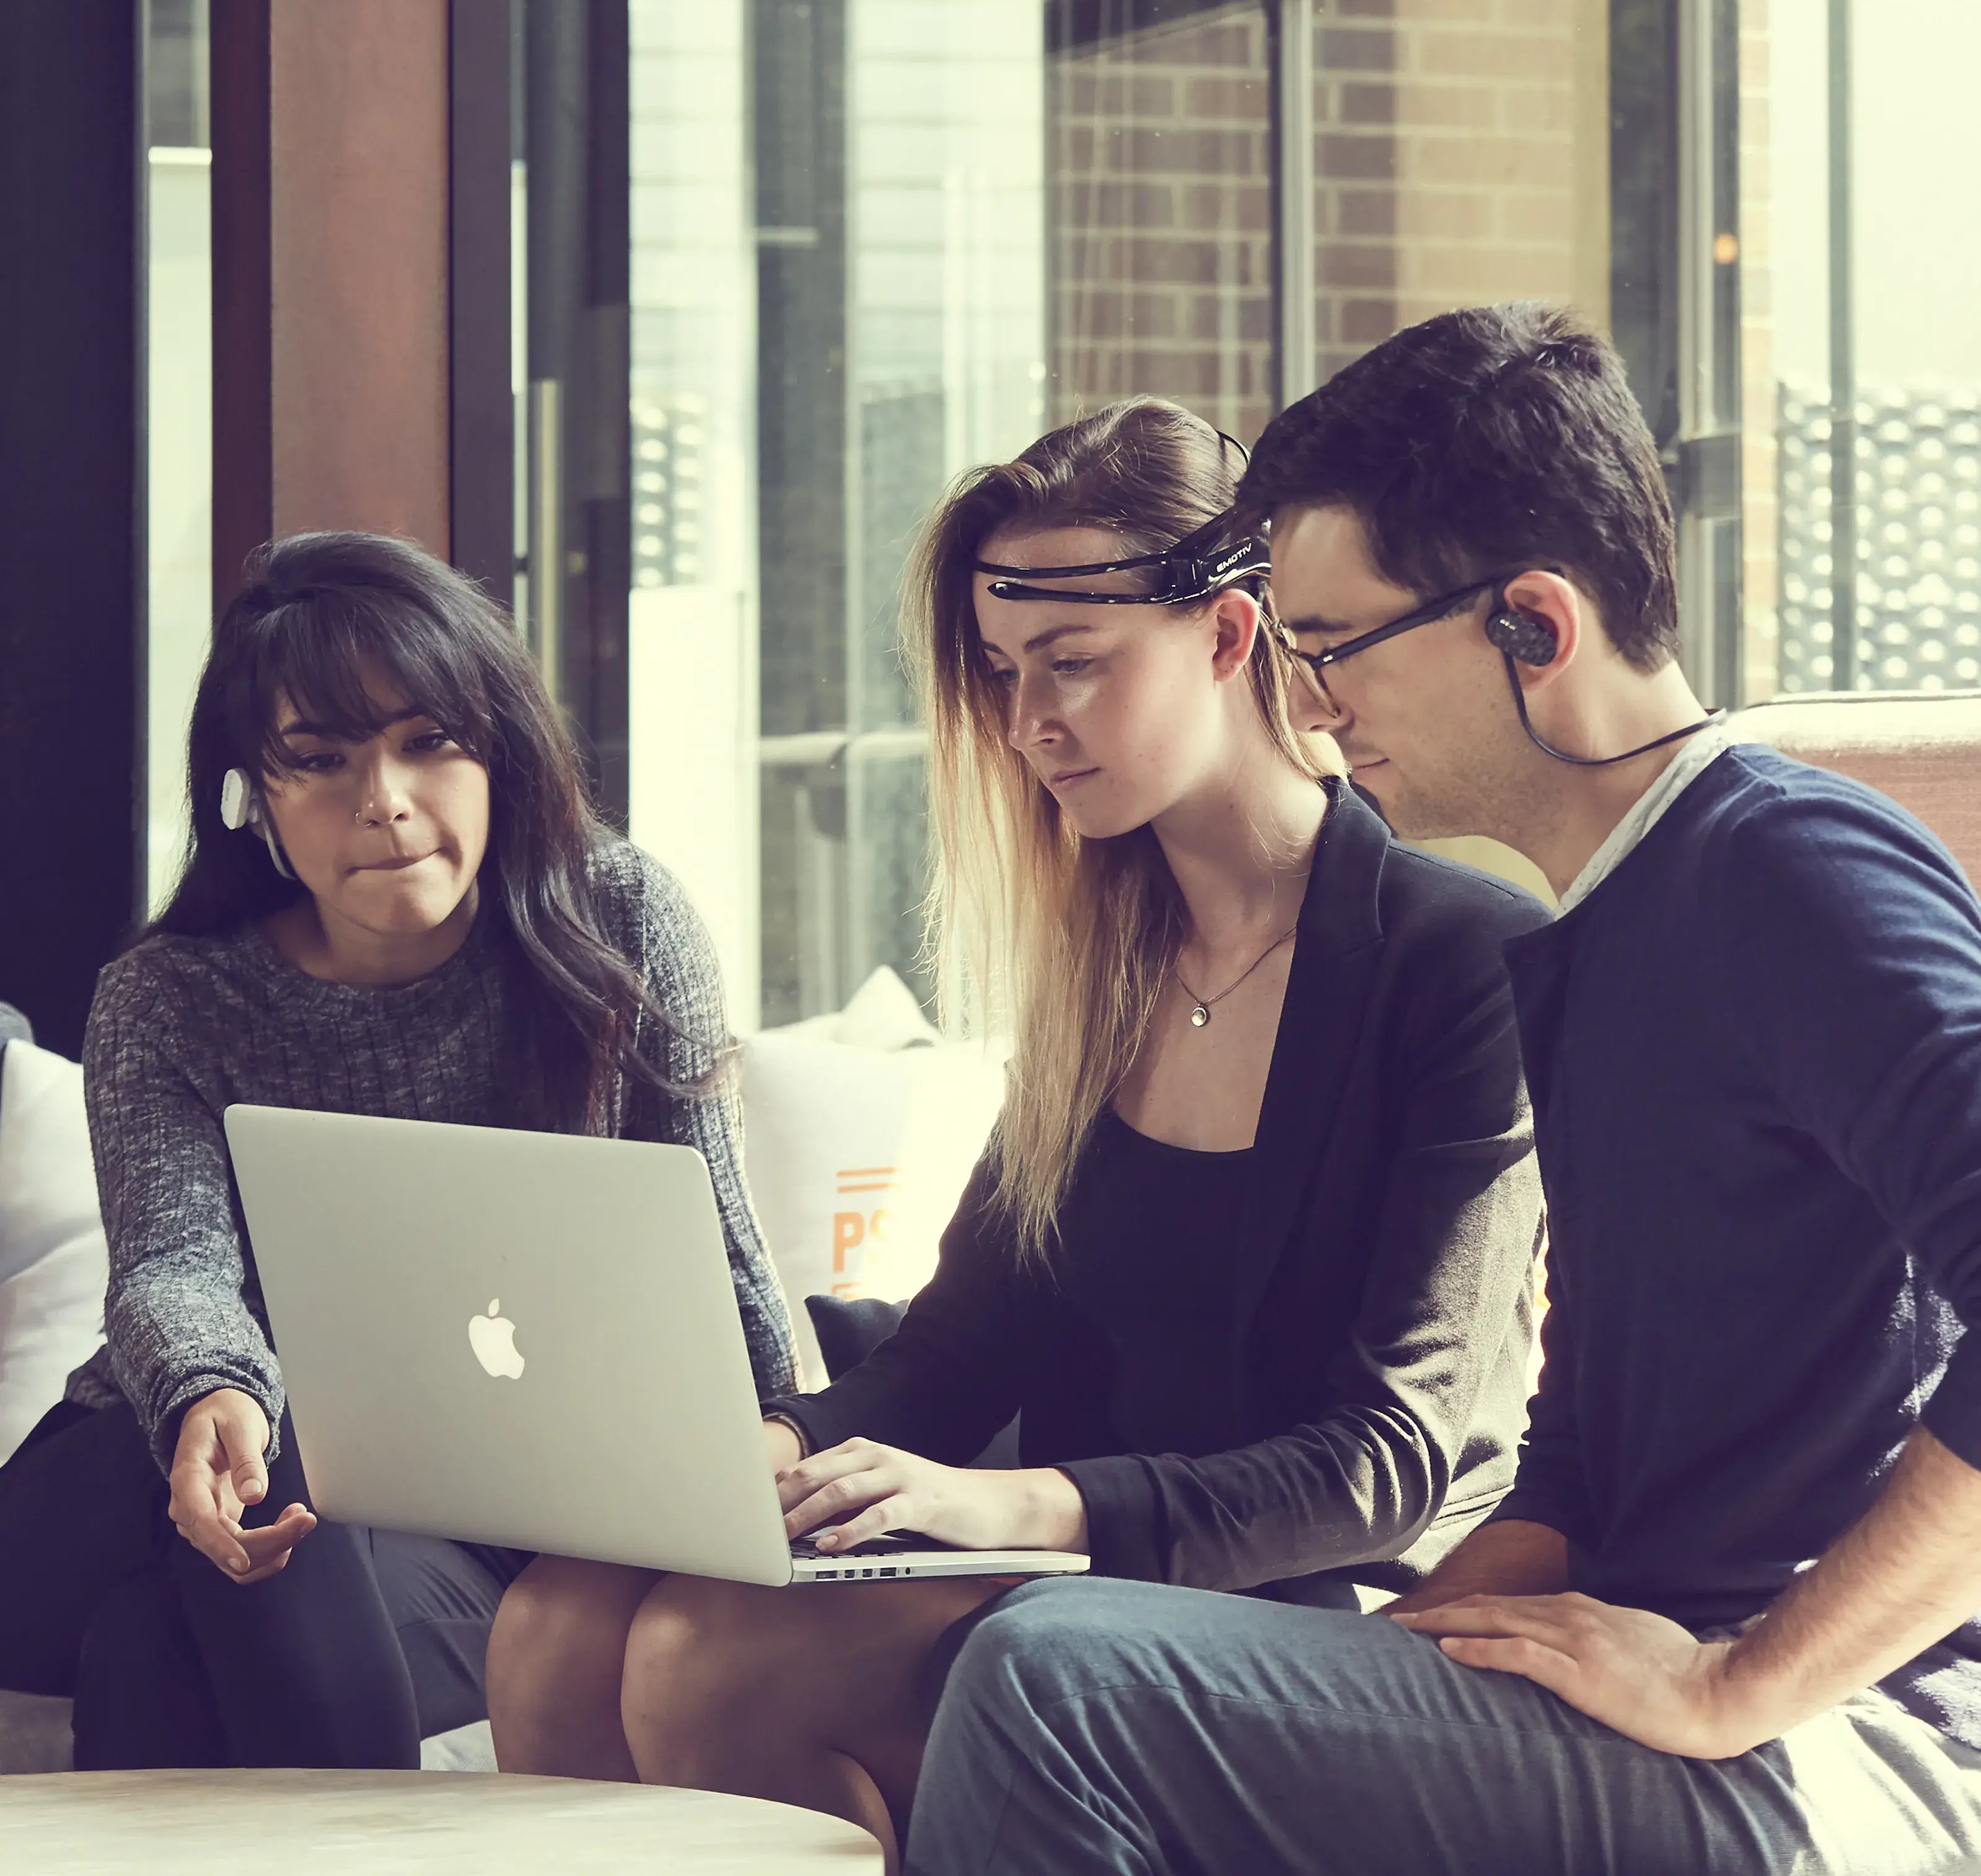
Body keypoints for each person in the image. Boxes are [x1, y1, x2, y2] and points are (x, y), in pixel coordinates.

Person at [903, 304, 1981, 1876]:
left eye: (1335, 645)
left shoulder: (1788, 867)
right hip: (1636, 1664)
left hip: (1852, 1744)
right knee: (1061, 1662)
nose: (1317, 702)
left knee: (1049, 1681)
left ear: (1532, 628)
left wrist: (1741, 1682)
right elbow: (1591, 1461)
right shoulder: (1588, 934)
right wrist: (1368, 1675)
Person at [487, 398, 1550, 1869]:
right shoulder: (1104, 967)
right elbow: (959, 1349)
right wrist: (768, 1450)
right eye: (1001, 674)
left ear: (1232, 639)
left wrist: (1015, 1503)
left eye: (1074, 665)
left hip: (1310, 1590)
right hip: (1057, 1553)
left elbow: (1390, 1458)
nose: (1028, 722)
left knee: (706, 1660)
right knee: (555, 1620)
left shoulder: (1458, 957)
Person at [0, 531, 796, 1769]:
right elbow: (172, 1264)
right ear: (253, 798)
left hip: (461, 1521)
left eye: (429, 741)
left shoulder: (620, 920)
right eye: (319, 761)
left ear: (500, 751)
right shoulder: (171, 997)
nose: (384, 800)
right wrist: (216, 1393)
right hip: (147, 1467)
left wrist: (770, 1448)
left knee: (147, 1648)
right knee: (281, 1434)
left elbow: (725, 1262)